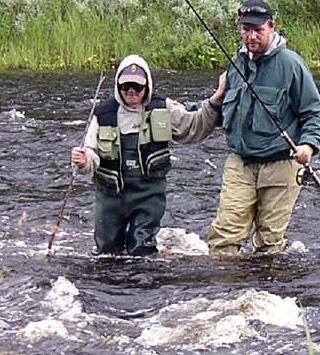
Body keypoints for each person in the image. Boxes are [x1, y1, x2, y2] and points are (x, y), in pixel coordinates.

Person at [206, 0, 320, 255]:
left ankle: (266, 291)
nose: (251, 36)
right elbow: (221, 107)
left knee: (269, 243)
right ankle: (224, 290)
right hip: (240, 162)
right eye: (245, 29)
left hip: (281, 165)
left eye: (257, 30)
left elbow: (315, 113)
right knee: (224, 236)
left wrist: (308, 145)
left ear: (271, 26)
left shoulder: (292, 65)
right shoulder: (235, 63)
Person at [72, 54, 225, 256]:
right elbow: (91, 155)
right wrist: (83, 160)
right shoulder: (103, 114)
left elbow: (193, 127)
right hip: (111, 197)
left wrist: (216, 100)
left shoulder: (163, 108)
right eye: (126, 86)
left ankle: (142, 286)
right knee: (106, 254)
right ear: (118, 86)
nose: (131, 92)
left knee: (141, 251)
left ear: (147, 86)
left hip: (148, 196)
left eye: (137, 86)